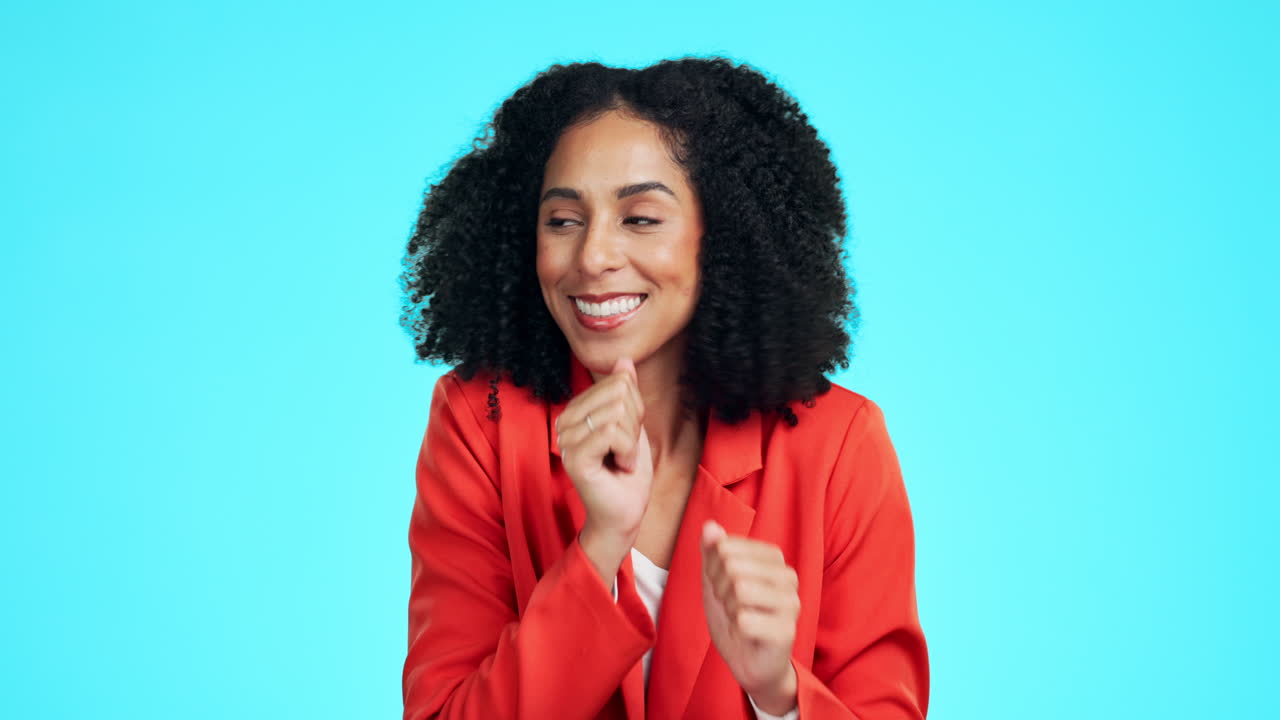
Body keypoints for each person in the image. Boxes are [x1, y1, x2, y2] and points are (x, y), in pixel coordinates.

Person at [397, 56, 929, 720]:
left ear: (723, 236)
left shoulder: (840, 446)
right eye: (562, 220)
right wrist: (600, 547)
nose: (592, 257)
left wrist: (779, 695)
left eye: (640, 219)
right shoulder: (482, 424)